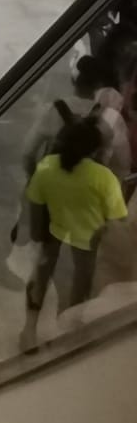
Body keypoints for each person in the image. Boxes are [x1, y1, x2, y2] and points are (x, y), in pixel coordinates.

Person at [22, 115, 127, 353]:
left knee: (39, 277)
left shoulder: (47, 167)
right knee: (81, 283)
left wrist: (38, 237)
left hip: (54, 231)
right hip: (88, 238)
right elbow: (117, 220)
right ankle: (71, 330)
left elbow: (36, 205)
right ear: (94, 151)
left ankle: (29, 331)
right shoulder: (103, 178)